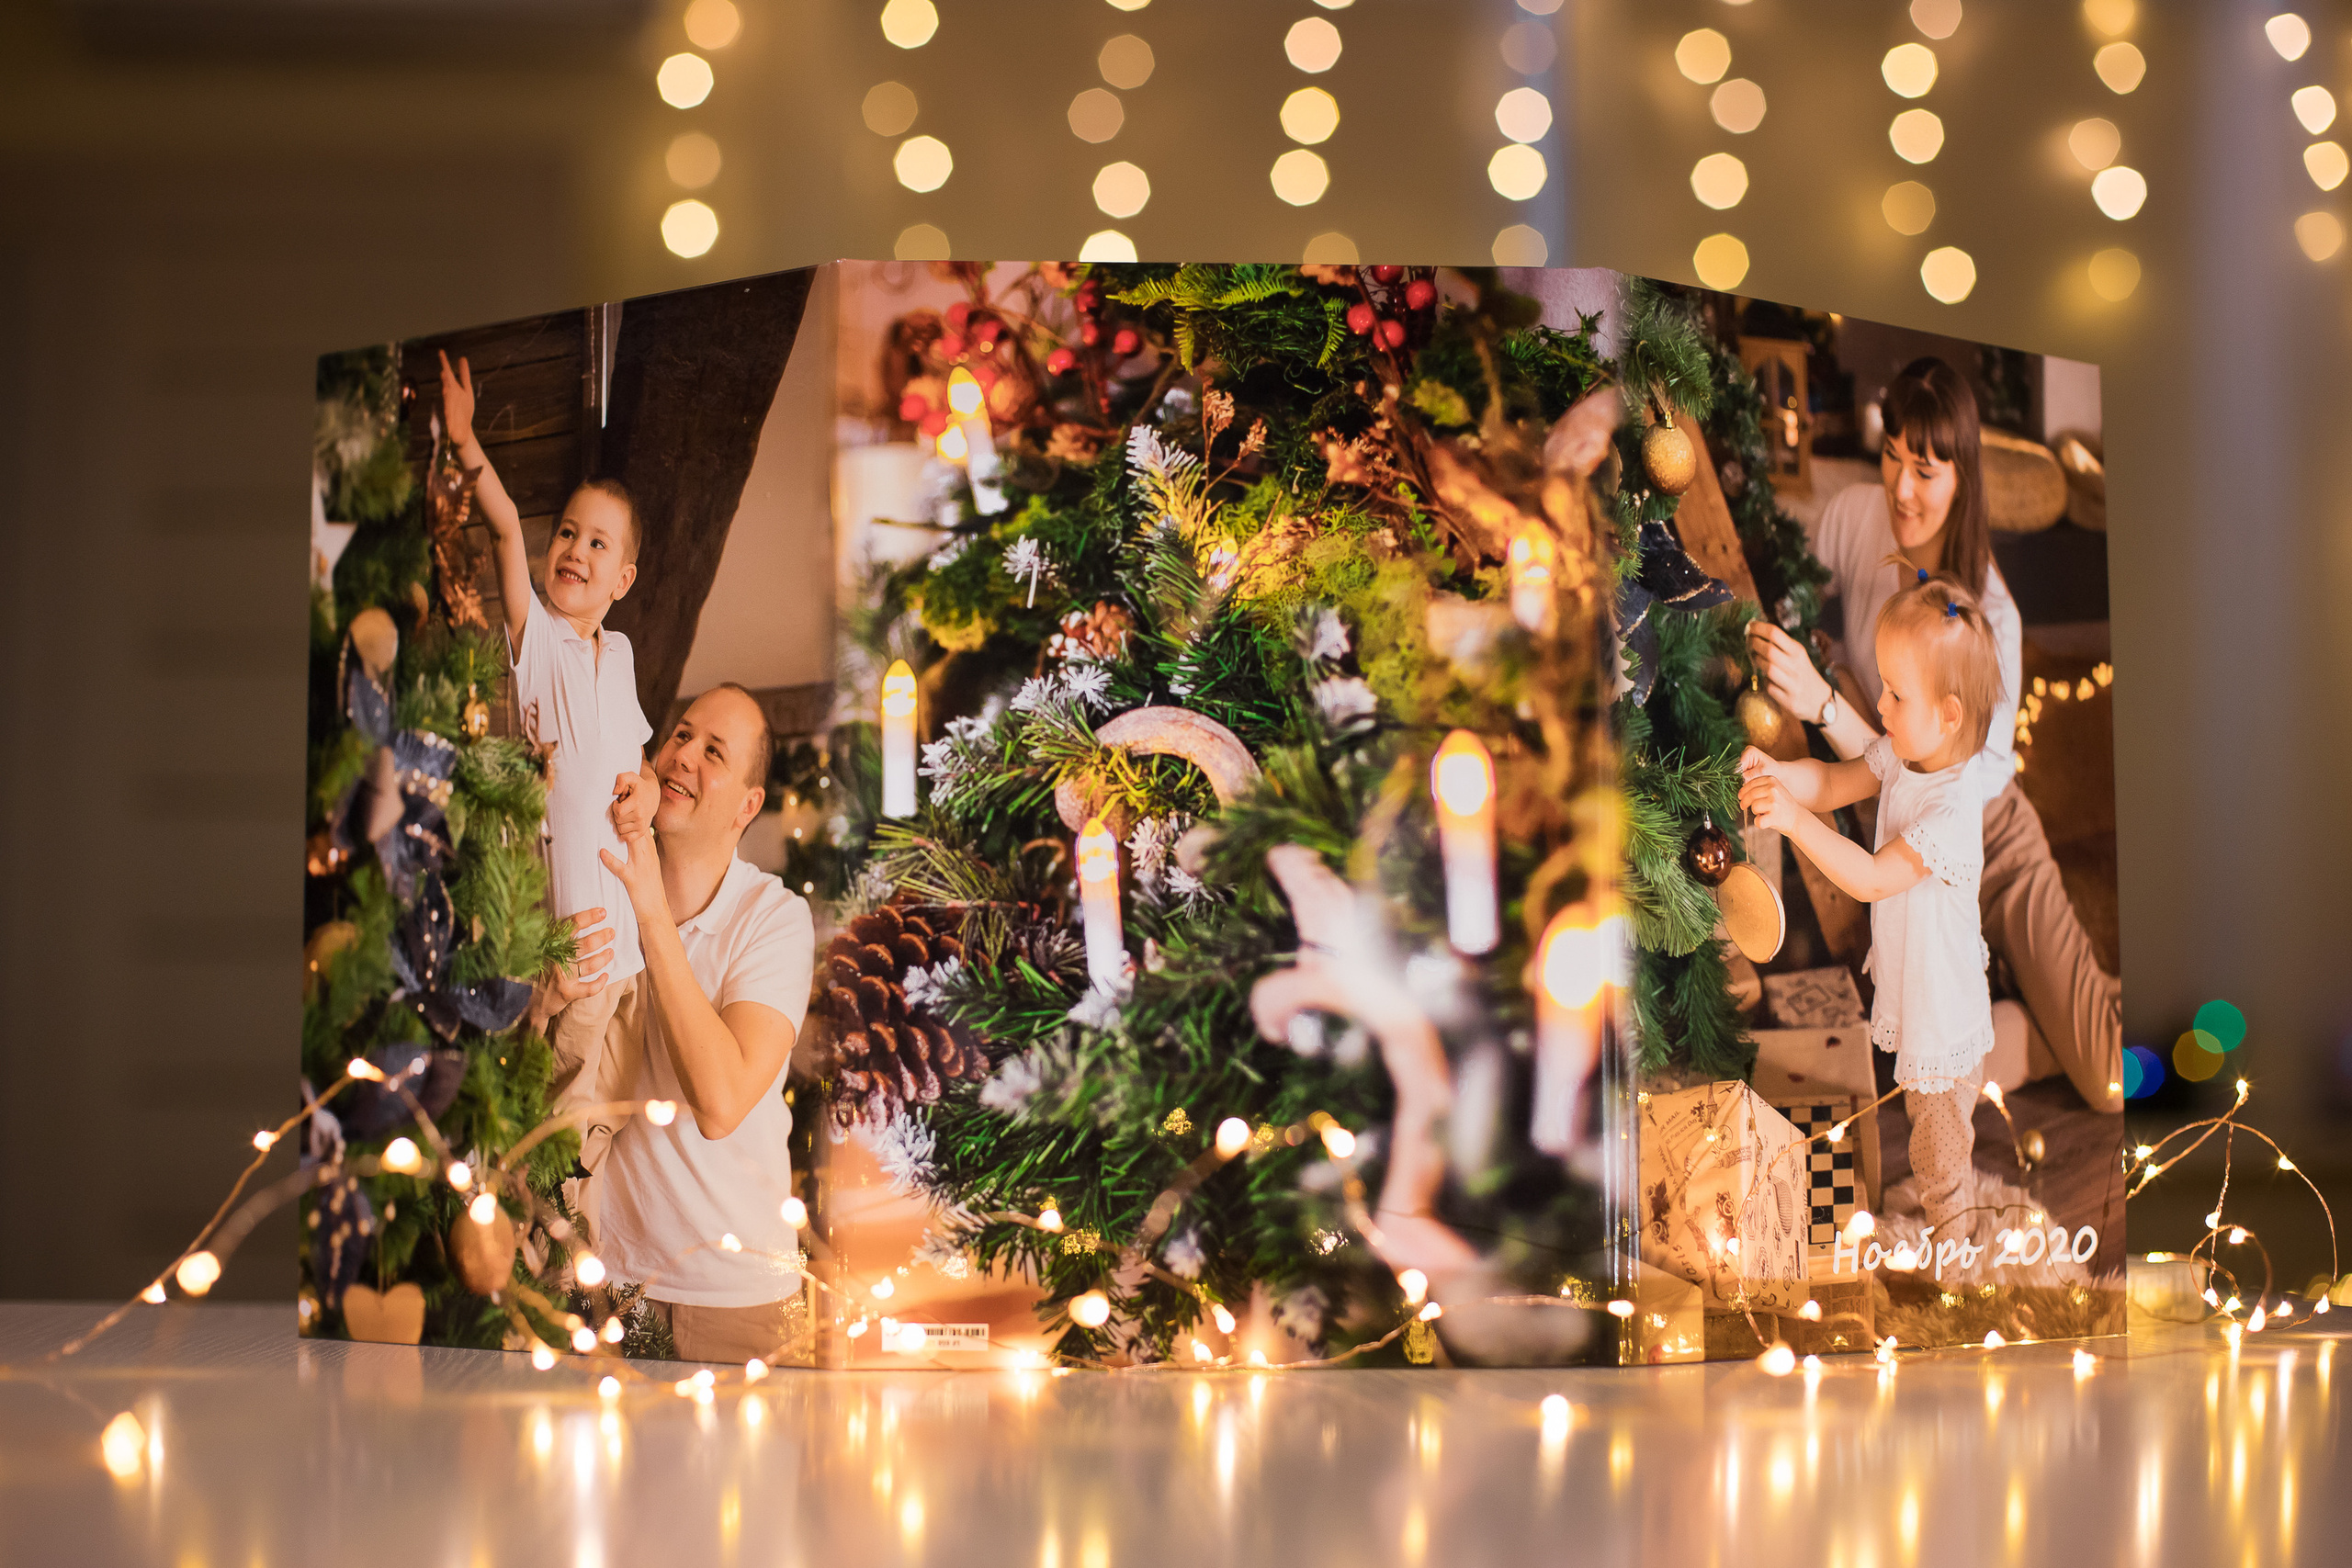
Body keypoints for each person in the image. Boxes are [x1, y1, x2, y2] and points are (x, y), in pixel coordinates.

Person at [1745, 357, 2122, 1115]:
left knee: (2110, 1078)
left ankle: (2076, 1014)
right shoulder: (1854, 516)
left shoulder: (1992, 619)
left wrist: (1826, 704)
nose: (1903, 488)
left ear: (1963, 476)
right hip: (1895, 818)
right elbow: (1794, 597)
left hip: (1985, 833)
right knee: (1912, 1051)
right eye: (1893, 456)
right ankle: (2004, 1028)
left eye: (1926, 467)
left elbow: (1932, 776)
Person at [440, 352, 657, 1169]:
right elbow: (502, 525)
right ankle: (549, 1263)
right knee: (555, 1129)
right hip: (573, 937)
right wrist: (466, 442)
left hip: (627, 934)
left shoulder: (623, 651)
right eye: (567, 532)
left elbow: (633, 761)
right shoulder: (537, 641)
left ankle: (578, 1264)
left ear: (623, 577)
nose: (573, 549)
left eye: (596, 542)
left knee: (606, 1123)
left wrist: (639, 791)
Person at [1740, 570, 2004, 1230]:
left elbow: (1869, 877)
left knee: (1940, 1159)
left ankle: (1958, 1274)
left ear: (1948, 714)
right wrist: (1780, 778)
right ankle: (1949, 1217)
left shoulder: (1949, 808)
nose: (1880, 706)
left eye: (1894, 692)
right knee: (1931, 1144)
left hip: (1944, 1025)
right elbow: (1831, 780)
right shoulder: (1908, 758)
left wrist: (1795, 824)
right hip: (1924, 999)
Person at [591, 682, 815, 1365]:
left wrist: (651, 906)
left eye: (713, 750)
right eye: (681, 735)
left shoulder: (774, 920)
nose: (683, 755)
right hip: (608, 1289)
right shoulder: (604, 885)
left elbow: (720, 1101)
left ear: (748, 805)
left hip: (736, 1303)